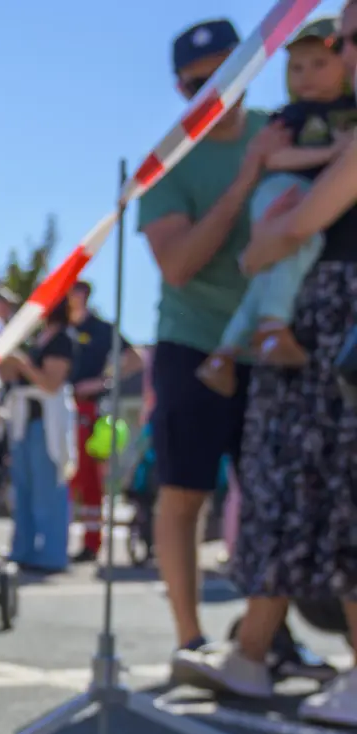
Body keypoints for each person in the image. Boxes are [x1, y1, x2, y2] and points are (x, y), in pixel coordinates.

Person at [174, 0, 357, 728]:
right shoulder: (309, 124)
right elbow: (266, 244)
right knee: (293, 485)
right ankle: (252, 648)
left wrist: (279, 232)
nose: (337, 56)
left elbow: (300, 224)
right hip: (309, 325)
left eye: (343, 44)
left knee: (336, 490)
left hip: (332, 318)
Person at [136, 16, 293, 659]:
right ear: (181, 88)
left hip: (273, 345)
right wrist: (244, 183)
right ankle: (190, 639)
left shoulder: (286, 131)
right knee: (184, 492)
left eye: (228, 73)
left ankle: (265, 635)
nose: (216, 91)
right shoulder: (169, 159)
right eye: (199, 83)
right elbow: (177, 264)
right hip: (193, 345)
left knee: (276, 494)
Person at [197, 16, 354, 396]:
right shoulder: (292, 116)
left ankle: (230, 349)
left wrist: (255, 254)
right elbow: (275, 160)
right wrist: (335, 152)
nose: (308, 76)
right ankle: (266, 330)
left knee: (272, 272)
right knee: (294, 251)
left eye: (321, 62)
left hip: (321, 279)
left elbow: (290, 232)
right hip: (289, 202)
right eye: (297, 67)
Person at [64, 280, 143, 563]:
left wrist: (103, 382)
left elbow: (135, 358)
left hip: (88, 409)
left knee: (88, 479)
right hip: (57, 407)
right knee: (64, 478)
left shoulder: (100, 328)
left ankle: (92, 542)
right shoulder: (57, 326)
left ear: (84, 294)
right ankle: (58, 540)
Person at [0, 295, 76, 574]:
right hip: (24, 423)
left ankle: (53, 554)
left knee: (48, 492)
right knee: (24, 491)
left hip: (45, 426)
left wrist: (22, 364)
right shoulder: (39, 338)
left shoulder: (62, 340)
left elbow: (51, 384)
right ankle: (24, 549)